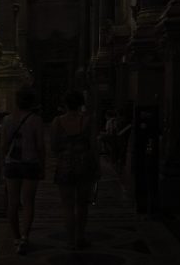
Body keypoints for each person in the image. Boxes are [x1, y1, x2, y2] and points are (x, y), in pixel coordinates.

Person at [51, 90, 100, 250]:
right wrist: (97, 166)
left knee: (67, 205)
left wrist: (64, 152)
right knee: (82, 205)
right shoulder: (88, 121)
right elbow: (94, 146)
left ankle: (70, 240)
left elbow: (54, 147)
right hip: (84, 165)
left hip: (64, 165)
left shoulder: (57, 122)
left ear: (65, 104)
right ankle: (80, 237)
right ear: (81, 104)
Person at [0, 86, 45, 256]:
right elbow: (40, 146)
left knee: (12, 202)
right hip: (30, 164)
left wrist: (4, 163)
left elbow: (3, 145)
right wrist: (43, 164)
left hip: (12, 163)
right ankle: (25, 236)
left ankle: (16, 237)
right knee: (28, 203)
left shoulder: (7, 120)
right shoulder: (36, 120)